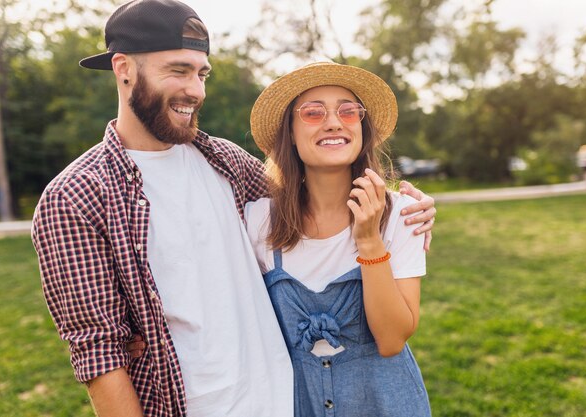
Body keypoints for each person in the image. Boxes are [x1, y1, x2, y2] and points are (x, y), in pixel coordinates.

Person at [30, 1, 437, 416]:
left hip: (286, 401)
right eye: (178, 70)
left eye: (202, 73)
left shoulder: (226, 162)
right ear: (124, 69)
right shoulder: (77, 196)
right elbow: (99, 355)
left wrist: (407, 210)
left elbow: (310, 200)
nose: (197, 89)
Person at [243, 62, 432, 416]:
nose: (334, 122)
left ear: (362, 128)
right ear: (291, 134)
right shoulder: (258, 221)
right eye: (313, 113)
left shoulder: (402, 214)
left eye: (348, 111)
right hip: (298, 404)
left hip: (387, 404)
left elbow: (392, 341)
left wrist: (370, 242)